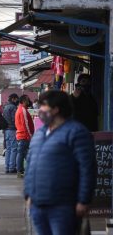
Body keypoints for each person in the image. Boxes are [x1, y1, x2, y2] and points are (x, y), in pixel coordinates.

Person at [25, 90, 96, 235]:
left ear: (56, 109)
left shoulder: (76, 132)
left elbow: (87, 168)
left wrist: (83, 200)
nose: (40, 111)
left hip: (63, 205)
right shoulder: (39, 133)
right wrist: (28, 194)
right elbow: (31, 165)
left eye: (43, 106)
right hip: (38, 204)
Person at [15, 94, 34, 178]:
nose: (28, 101)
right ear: (23, 101)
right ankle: (20, 171)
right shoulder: (22, 110)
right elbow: (25, 124)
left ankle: (28, 170)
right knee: (22, 154)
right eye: (27, 100)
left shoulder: (20, 109)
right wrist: (30, 135)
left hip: (21, 135)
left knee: (24, 153)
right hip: (24, 135)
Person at [3, 93, 19, 174]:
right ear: (13, 99)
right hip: (12, 129)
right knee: (14, 148)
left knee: (8, 149)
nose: (17, 100)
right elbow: (14, 119)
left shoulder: (5, 107)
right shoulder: (13, 107)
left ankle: (7, 167)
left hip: (6, 130)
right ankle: (12, 167)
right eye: (16, 99)